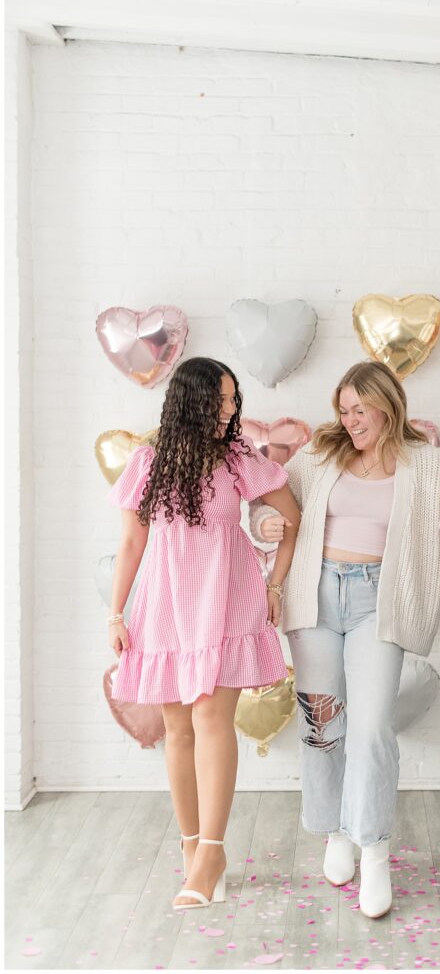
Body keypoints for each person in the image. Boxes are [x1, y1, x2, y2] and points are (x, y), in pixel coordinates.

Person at [250, 360, 440, 919]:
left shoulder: (427, 466)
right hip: (314, 597)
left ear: (388, 405)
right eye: (344, 410)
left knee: (373, 725)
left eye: (360, 409)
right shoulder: (320, 455)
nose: (350, 420)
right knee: (323, 724)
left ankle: (375, 851)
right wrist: (265, 523)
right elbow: (271, 505)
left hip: (378, 602)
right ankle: (336, 830)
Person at [107, 357, 300, 911]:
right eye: (220, 400)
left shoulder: (238, 457)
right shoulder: (147, 463)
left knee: (212, 717)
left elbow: (291, 516)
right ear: (190, 402)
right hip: (165, 604)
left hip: (227, 600)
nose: (230, 410)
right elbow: (132, 546)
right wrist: (115, 615)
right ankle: (192, 849)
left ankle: (212, 853)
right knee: (177, 726)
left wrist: (275, 583)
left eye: (234, 399)